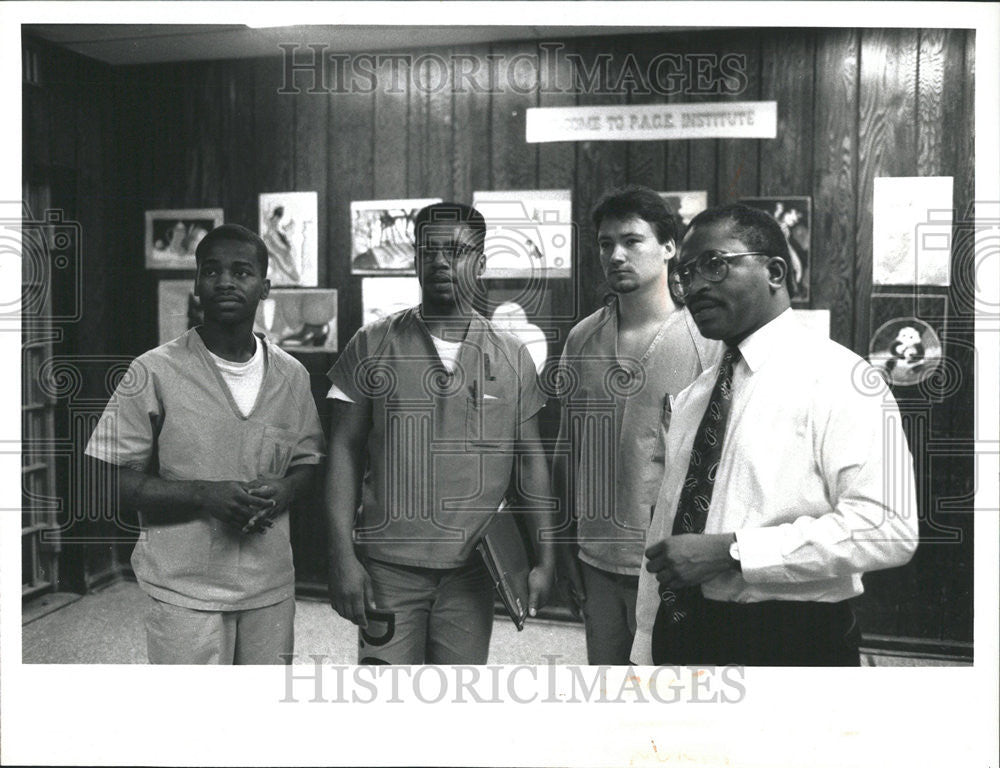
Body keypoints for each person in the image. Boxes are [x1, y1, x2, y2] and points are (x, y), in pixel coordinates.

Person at [632, 204, 919, 666]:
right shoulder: (695, 396)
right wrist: (646, 646)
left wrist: (733, 552)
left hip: (790, 640)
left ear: (775, 271)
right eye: (685, 273)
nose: (696, 286)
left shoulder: (840, 378)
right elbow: (668, 528)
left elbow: (888, 529)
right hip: (683, 634)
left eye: (715, 264)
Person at [324, 202, 555, 664]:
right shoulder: (373, 343)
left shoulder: (511, 355)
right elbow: (343, 450)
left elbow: (531, 460)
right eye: (428, 250)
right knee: (385, 706)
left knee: (455, 712)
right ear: (414, 261)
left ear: (481, 263)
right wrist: (341, 557)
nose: (441, 262)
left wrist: (546, 559)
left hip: (472, 571)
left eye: (456, 250)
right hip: (389, 567)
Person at [85, 224, 325, 664]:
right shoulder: (153, 371)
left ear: (265, 286)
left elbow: (308, 463)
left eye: (242, 271)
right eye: (212, 271)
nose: (227, 282)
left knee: (263, 722)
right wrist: (203, 494)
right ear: (197, 284)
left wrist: (287, 489)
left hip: (268, 587)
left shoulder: (292, 376)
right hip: (184, 589)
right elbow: (105, 482)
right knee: (191, 725)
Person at [553, 185, 723, 665]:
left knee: (669, 696)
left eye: (632, 241)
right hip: (596, 553)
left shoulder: (705, 341)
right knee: (609, 693)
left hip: (672, 561)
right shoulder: (583, 338)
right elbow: (569, 450)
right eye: (606, 244)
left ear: (669, 247)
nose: (616, 255)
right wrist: (565, 542)